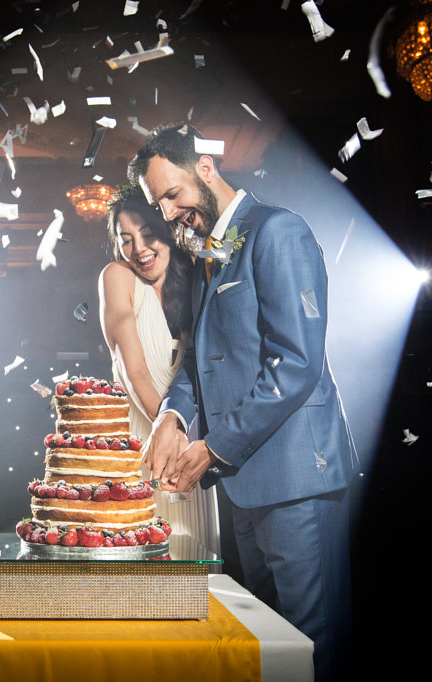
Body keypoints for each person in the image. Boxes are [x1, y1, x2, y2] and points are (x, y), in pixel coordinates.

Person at [130, 123, 358, 682]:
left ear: (205, 169)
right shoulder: (215, 250)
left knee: (311, 648)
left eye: (172, 194)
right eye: (158, 203)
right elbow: (202, 360)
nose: (167, 212)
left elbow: (297, 362)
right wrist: (170, 415)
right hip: (246, 484)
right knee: (269, 648)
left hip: (299, 482)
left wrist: (213, 446)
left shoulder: (280, 230)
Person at [97, 187, 220, 557]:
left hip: (192, 456)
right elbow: (131, 369)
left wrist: (188, 450)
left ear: (167, 230)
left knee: (194, 583)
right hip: (142, 450)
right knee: (137, 584)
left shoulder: (198, 277)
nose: (139, 249)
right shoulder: (117, 276)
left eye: (148, 234)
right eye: (126, 240)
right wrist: (168, 436)